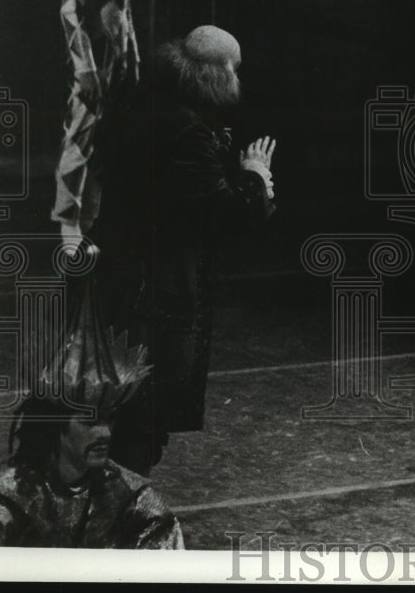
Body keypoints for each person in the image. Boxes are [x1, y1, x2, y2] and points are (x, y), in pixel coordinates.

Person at [93, 25, 277, 476]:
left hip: (118, 277)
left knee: (119, 409)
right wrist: (255, 176)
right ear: (217, 74)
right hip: (155, 290)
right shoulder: (186, 131)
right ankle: (120, 519)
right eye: (234, 68)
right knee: (142, 418)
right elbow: (224, 214)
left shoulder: (139, 105)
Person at [0, 275, 185, 548]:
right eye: (89, 421)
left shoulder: (134, 502)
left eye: (108, 419)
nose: (105, 433)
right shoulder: (5, 504)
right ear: (55, 425)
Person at [52, 0, 168, 254]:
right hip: (92, 58)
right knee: (80, 137)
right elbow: (71, 9)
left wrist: (130, 57)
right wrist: (85, 67)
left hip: (116, 57)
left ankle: (89, 223)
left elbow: (122, 9)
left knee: (106, 141)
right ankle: (69, 225)